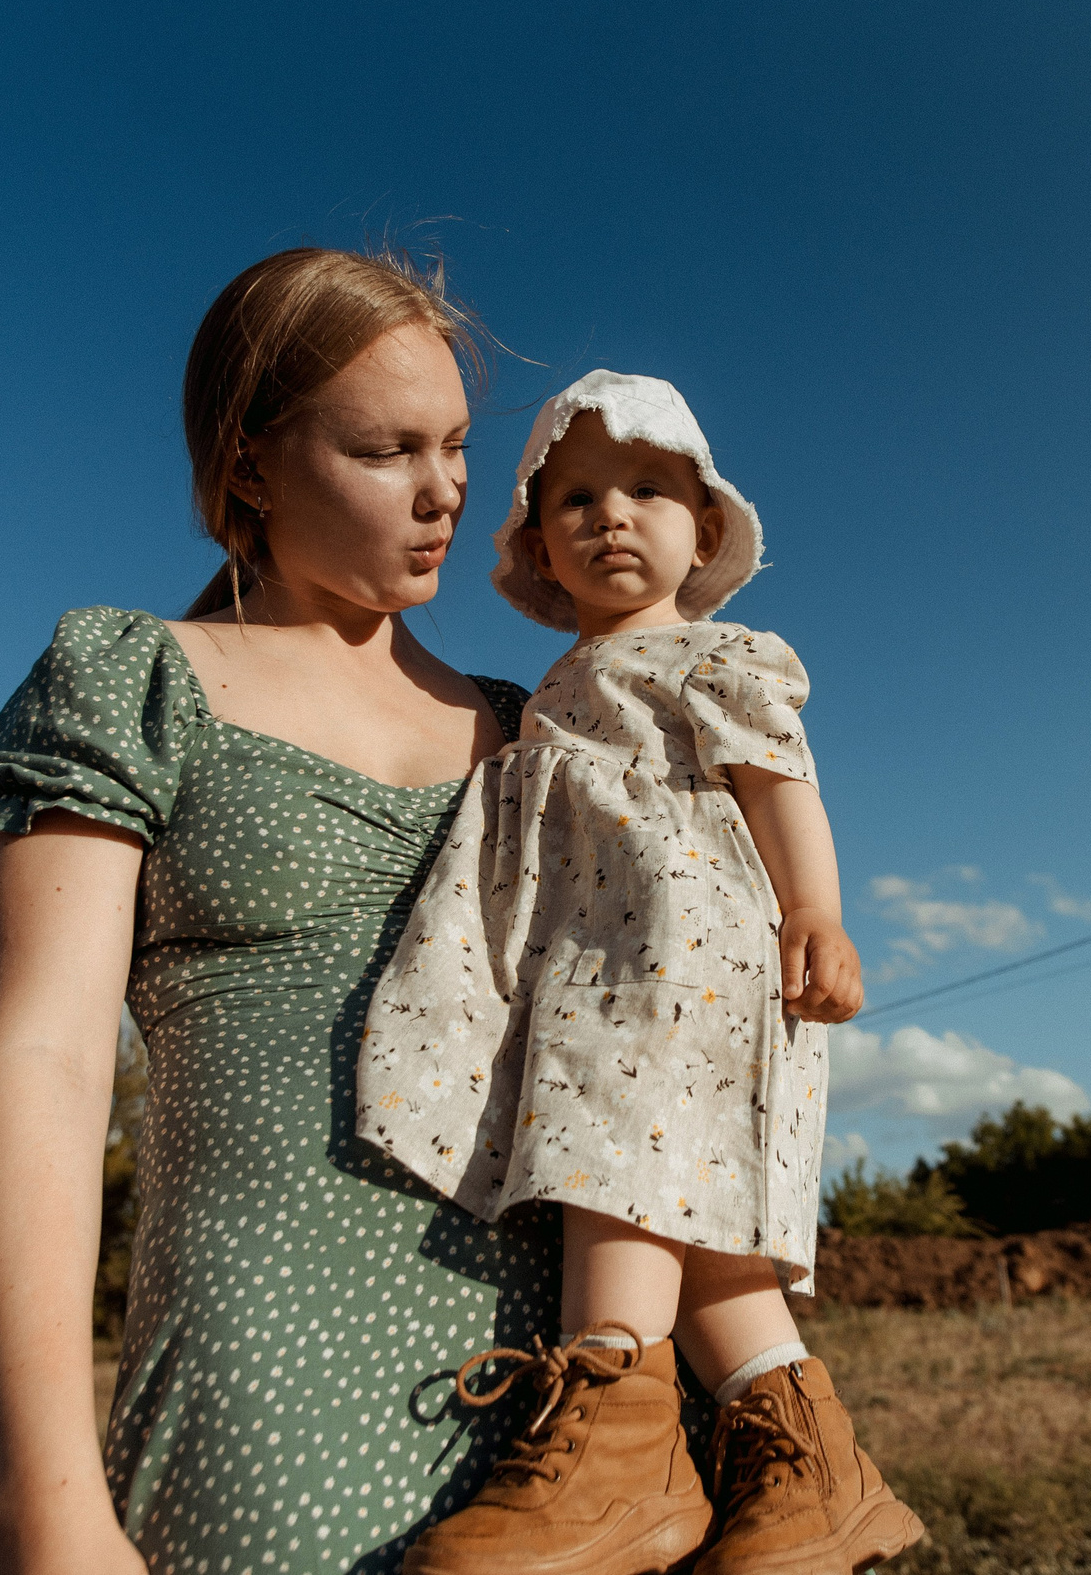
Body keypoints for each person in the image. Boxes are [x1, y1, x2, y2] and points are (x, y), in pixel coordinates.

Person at [0, 248, 562, 1575]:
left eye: (456, 444)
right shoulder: (128, 682)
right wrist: (41, 1509)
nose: (446, 488)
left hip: (567, 1403)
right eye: (388, 448)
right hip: (265, 1402)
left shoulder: (531, 731)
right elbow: (41, 1070)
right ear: (247, 463)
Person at [358, 372, 924, 1575]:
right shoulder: (548, 693)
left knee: (610, 1169)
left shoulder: (715, 653)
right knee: (702, 1229)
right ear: (538, 548)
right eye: (575, 498)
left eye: (648, 489)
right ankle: (815, 1468)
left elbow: (781, 783)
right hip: (598, 968)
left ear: (703, 527)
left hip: (688, 960)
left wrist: (818, 911)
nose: (610, 514)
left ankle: (618, 1452)